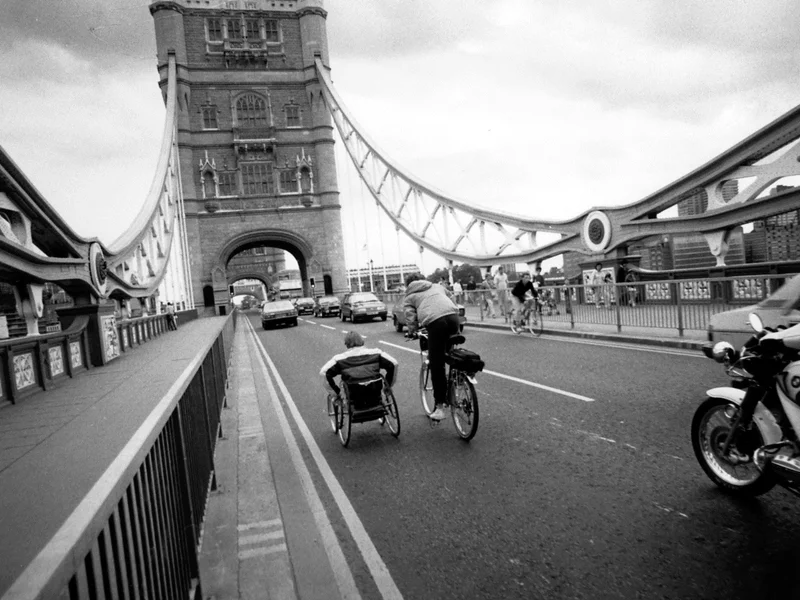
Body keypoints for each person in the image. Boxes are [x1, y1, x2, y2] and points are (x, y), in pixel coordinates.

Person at [403, 272, 461, 421]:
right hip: (454, 318)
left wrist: (412, 331)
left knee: (437, 364)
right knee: (450, 351)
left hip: (436, 322)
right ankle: (458, 377)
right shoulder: (436, 286)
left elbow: (410, 317)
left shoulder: (409, 296)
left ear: (407, 284)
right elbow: (451, 296)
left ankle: (440, 407)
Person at [320, 331, 398, 408]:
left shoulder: (340, 359)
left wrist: (336, 393)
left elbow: (324, 372)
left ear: (347, 344)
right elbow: (394, 363)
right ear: (362, 341)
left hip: (354, 393)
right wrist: (388, 385)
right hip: (374, 389)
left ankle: (339, 400)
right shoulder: (376, 353)